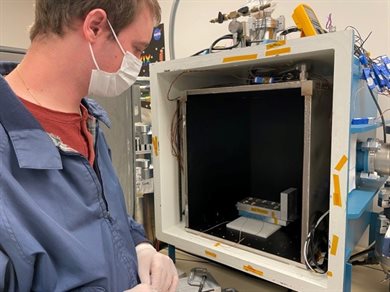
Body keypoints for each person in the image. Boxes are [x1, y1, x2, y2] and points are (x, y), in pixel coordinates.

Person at [0, 0, 178, 291]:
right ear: (95, 26)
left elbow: (106, 219)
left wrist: (140, 246)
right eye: (136, 48)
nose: (137, 61)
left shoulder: (87, 122)